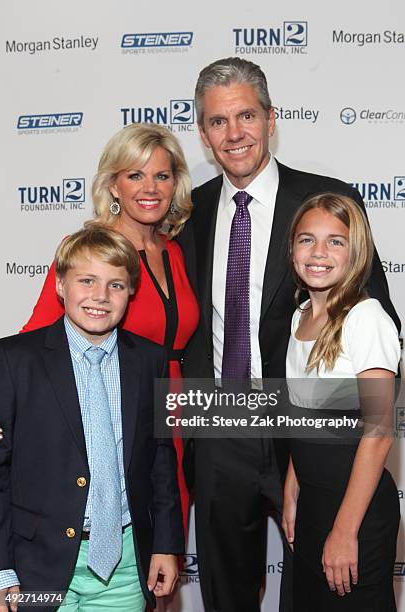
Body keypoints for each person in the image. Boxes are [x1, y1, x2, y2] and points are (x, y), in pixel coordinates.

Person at [177, 57, 400, 612]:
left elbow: (379, 322)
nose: (235, 134)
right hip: (219, 427)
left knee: (322, 588)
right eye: (219, 121)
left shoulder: (327, 202)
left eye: (247, 115)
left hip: (305, 440)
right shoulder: (189, 213)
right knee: (227, 592)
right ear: (203, 133)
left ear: (271, 119)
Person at [21, 123, 199, 535]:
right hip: (109, 418)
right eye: (135, 175)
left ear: (176, 184)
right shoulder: (89, 249)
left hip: (175, 422)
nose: (149, 187)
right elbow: (35, 339)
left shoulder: (174, 250)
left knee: (162, 551)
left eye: (162, 175)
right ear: (113, 186)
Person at [0, 225, 184, 612]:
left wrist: (166, 544)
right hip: (36, 566)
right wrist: (1, 570)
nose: (100, 296)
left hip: (125, 565)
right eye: (86, 281)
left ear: (131, 291)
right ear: (61, 285)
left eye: (116, 285)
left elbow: (161, 460)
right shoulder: (15, 360)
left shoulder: (150, 361)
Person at [283, 193, 400, 611]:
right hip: (314, 506)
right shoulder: (300, 317)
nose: (319, 252)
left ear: (357, 252)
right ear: (292, 248)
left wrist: (345, 530)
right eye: (307, 239)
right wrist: (293, 488)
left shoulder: (366, 319)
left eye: (336, 241)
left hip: (357, 515)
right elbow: (304, 416)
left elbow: (379, 433)